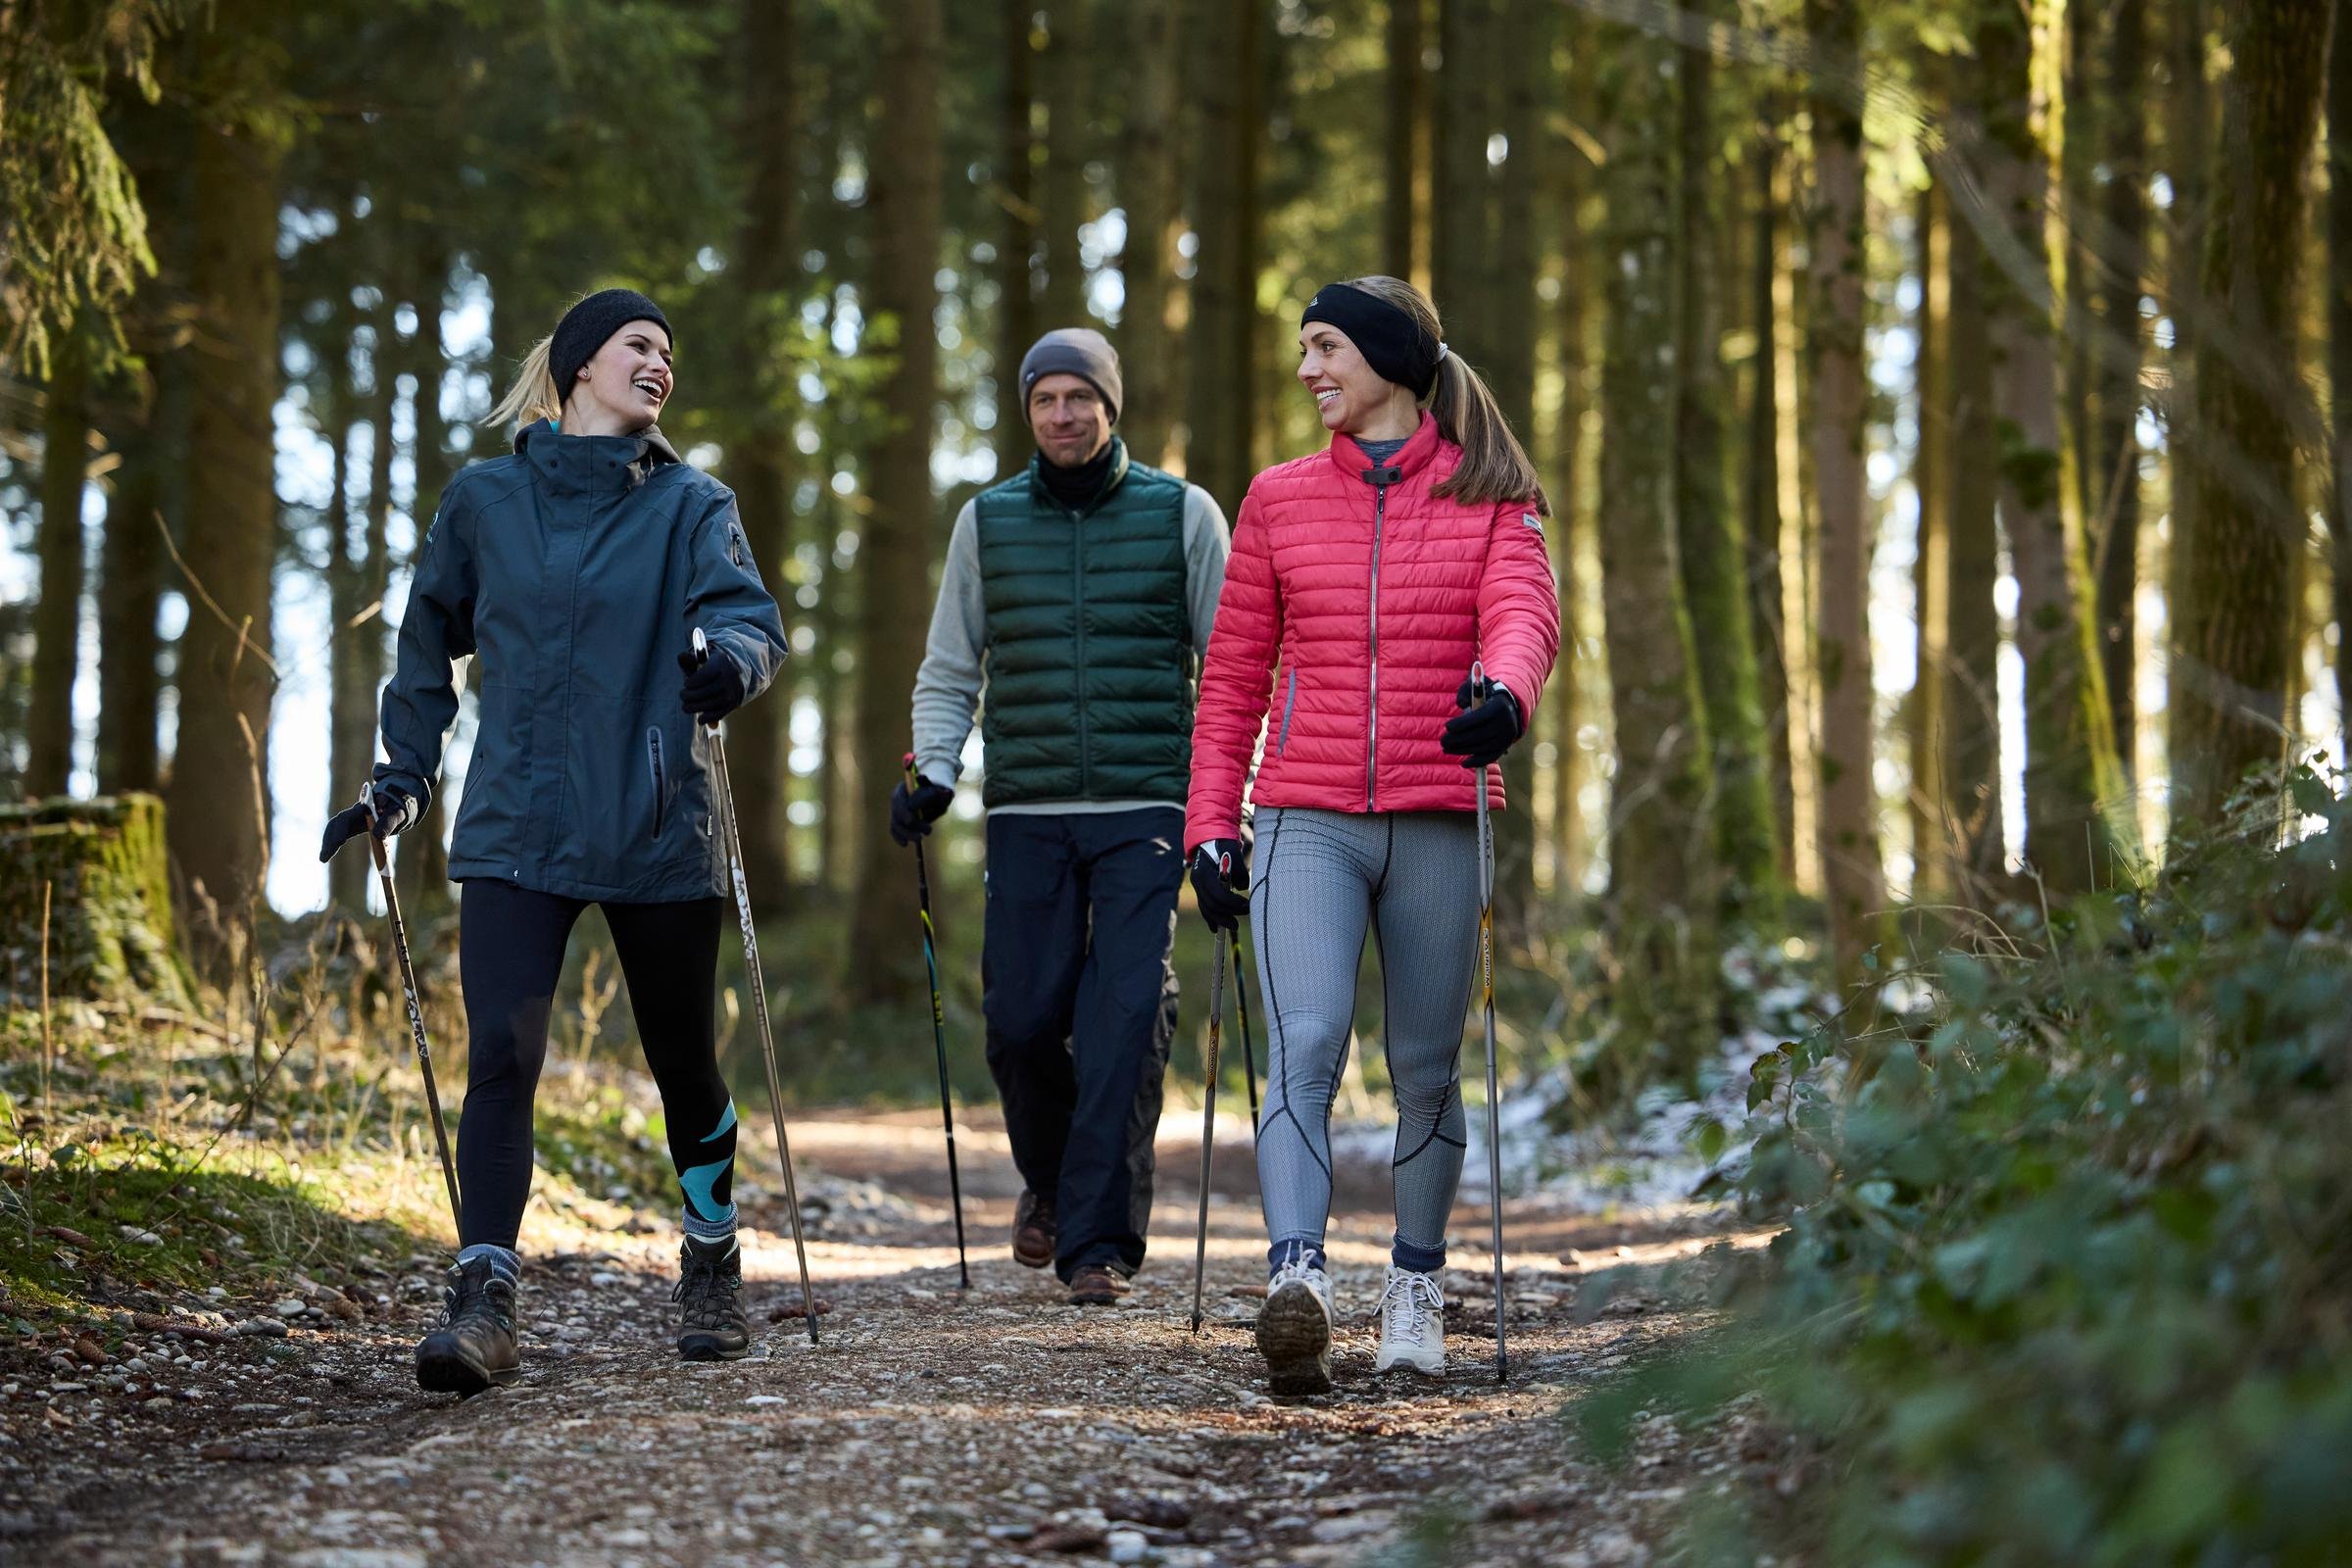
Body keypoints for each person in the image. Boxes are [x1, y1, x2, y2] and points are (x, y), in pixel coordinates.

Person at [321, 288, 789, 1395]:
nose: (660, 363)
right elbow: (427, 637)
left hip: (655, 819)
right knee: (501, 1056)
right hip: (516, 823)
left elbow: (750, 618)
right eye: (639, 345)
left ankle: (711, 1254)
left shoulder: (693, 504)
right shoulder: (485, 500)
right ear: (581, 364)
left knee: (683, 1063)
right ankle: (483, 1295)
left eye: (669, 352)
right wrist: (403, 777)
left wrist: (728, 664)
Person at [1184, 276, 1559, 1394]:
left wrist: (1506, 695)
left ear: (1390, 358)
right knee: (1305, 1041)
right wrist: (1211, 821)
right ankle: (1296, 1278)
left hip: (1440, 811)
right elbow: (1234, 676)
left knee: (1427, 1069)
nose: (1308, 369)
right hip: (1305, 816)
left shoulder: (1495, 494)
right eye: (1305, 348)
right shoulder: (1278, 499)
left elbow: (1524, 615)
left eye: (1326, 347)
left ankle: (1415, 1285)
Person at [891, 327, 1231, 1305]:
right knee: (1022, 1019)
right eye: (1045, 399)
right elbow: (950, 665)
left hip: (1146, 803)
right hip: (1028, 807)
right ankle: (1050, 1179)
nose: (1063, 414)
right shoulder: (987, 522)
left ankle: (1096, 1244)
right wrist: (934, 769)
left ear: (1110, 406)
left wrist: (1227, 807)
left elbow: (1232, 667)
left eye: (1080, 397)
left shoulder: (1182, 514)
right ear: (1028, 411)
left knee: (1125, 1013)